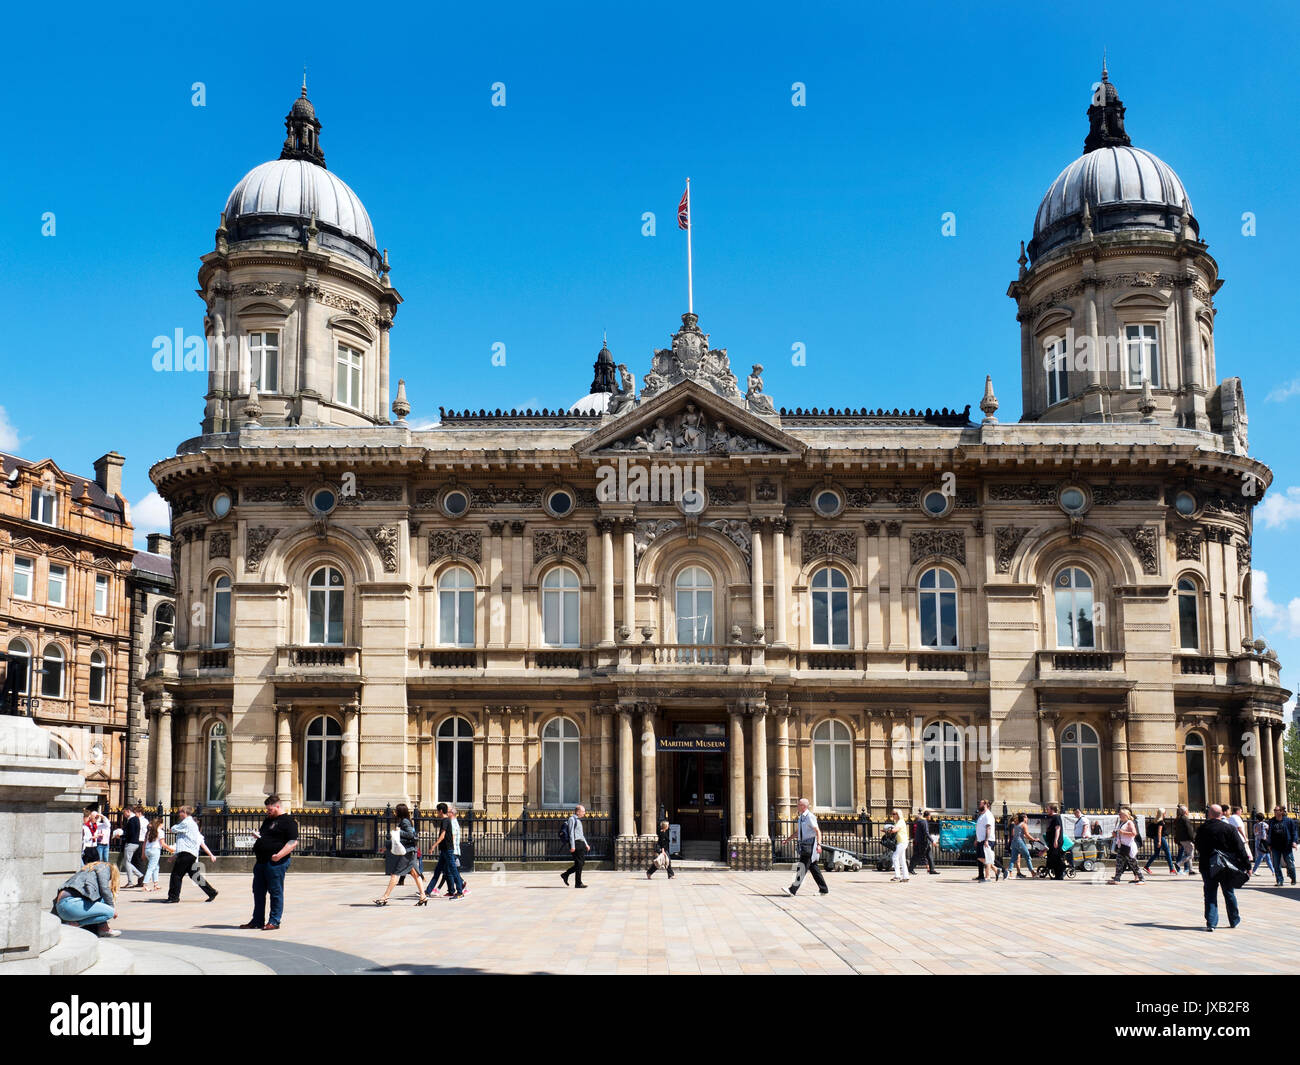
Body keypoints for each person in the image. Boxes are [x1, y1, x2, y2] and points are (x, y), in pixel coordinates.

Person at [241, 794, 299, 929]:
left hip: (276, 863)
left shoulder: (289, 821)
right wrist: (257, 837)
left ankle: (274, 921)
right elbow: (265, 836)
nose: (268, 812)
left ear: (277, 806)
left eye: (270, 809)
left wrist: (279, 855)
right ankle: (257, 921)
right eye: (267, 810)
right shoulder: (268, 820)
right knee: (258, 891)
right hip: (261, 861)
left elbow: (292, 842)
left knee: (275, 892)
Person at [1195, 804, 1251, 931]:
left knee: (1210, 893)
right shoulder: (1229, 829)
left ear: (1209, 814)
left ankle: (1211, 922)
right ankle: (1234, 920)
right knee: (1229, 892)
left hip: (1207, 865)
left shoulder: (1202, 829)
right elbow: (1240, 848)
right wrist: (1247, 865)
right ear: (1221, 814)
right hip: (1226, 866)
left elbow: (1198, 845)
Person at [164, 805, 218, 903]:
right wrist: (175, 855)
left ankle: (173, 897)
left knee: (176, 875)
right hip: (190, 853)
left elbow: (172, 829)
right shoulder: (191, 823)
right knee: (195, 876)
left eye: (180, 812)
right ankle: (211, 892)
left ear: (184, 813)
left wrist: (174, 827)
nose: (178, 814)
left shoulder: (186, 823)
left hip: (186, 853)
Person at [374, 803, 426, 906]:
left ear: (400, 812)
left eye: (396, 810)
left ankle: (385, 897)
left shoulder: (405, 822)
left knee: (395, 873)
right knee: (415, 874)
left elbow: (410, 834)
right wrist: (387, 847)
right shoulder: (404, 821)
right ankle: (423, 896)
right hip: (410, 851)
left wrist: (399, 832)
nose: (394, 812)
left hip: (408, 852)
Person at [53, 861, 121, 938]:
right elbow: (104, 888)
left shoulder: (88, 870)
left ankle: (103, 928)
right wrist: (112, 908)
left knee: (101, 899)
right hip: (70, 905)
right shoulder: (105, 867)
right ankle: (75, 924)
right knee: (110, 912)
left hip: (64, 907)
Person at [783, 797, 828, 896]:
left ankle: (792, 890)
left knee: (802, 867)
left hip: (810, 845)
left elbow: (818, 831)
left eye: (799, 805)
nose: (797, 806)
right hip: (804, 845)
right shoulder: (801, 817)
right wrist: (787, 840)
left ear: (803, 806)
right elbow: (798, 833)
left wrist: (819, 845)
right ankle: (823, 889)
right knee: (814, 868)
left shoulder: (809, 817)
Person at [1108, 808, 1145, 883]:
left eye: (1120, 814)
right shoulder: (1122, 823)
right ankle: (1117, 879)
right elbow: (1120, 835)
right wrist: (1115, 835)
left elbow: (1134, 833)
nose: (1119, 815)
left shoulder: (1129, 822)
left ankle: (1142, 878)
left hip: (1128, 847)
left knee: (1133, 863)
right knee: (1119, 862)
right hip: (1122, 846)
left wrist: (1123, 833)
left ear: (1125, 815)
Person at [1267, 805, 1299, 887]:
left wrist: (1294, 842)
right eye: (1274, 810)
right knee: (1276, 865)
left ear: (1281, 811)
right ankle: (1279, 880)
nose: (1275, 812)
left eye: (1277, 810)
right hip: (1275, 846)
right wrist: (1269, 844)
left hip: (1286, 846)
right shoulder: (1271, 821)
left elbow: (1294, 832)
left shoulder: (1289, 821)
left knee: (1290, 863)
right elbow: (1269, 833)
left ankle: (1293, 878)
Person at [442, 804, 468, 900]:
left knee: (451, 871)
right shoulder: (453, 822)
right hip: (453, 850)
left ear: (451, 813)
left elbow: (451, 838)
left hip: (451, 850)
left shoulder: (452, 823)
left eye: (447, 811)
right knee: (449, 871)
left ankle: (459, 889)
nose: (446, 813)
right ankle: (453, 890)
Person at [560, 804, 589, 889]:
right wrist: (572, 846)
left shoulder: (578, 820)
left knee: (581, 863)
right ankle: (578, 883)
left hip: (581, 843)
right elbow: (571, 833)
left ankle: (566, 874)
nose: (584, 813)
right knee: (579, 863)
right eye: (583, 811)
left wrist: (586, 844)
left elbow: (581, 834)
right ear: (578, 811)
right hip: (576, 843)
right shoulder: (572, 819)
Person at [118, 804, 145, 887]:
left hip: (131, 843)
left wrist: (121, 836)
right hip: (135, 843)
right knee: (127, 862)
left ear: (128, 811)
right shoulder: (136, 819)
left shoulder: (132, 820)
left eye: (124, 813)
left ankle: (136, 877)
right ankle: (133, 879)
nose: (124, 815)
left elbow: (131, 833)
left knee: (127, 862)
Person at [1144, 808, 1175, 875]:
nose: (1165, 814)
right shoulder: (1160, 822)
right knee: (1167, 852)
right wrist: (1160, 841)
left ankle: (1146, 866)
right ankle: (1171, 869)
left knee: (1156, 853)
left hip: (1156, 838)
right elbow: (1159, 832)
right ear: (1163, 813)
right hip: (1161, 838)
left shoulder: (1155, 821)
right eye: (1165, 813)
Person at [1005, 812, 1036, 878]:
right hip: (1020, 842)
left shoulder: (1017, 824)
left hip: (1014, 842)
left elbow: (1015, 834)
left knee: (1013, 858)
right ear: (1024, 818)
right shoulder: (1024, 825)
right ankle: (1032, 872)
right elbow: (1027, 835)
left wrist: (1022, 835)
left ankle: (1009, 872)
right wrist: (1034, 839)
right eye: (1026, 817)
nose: (1027, 818)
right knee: (1027, 856)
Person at [908, 809, 938, 875]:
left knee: (929, 855)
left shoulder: (920, 821)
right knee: (918, 855)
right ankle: (910, 868)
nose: (930, 817)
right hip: (923, 842)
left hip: (921, 841)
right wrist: (932, 841)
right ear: (927, 816)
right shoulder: (924, 822)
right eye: (930, 816)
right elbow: (926, 833)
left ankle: (932, 869)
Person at [973, 799, 996, 882]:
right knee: (980, 858)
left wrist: (986, 840)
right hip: (980, 840)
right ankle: (996, 870)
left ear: (986, 805)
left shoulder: (988, 815)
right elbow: (979, 829)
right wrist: (976, 839)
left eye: (981, 804)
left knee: (986, 858)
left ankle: (988, 877)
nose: (979, 805)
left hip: (987, 840)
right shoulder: (982, 815)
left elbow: (988, 827)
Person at [1043, 803, 1066, 880]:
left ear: (1052, 810)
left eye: (1048, 809)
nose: (1047, 810)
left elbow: (1057, 829)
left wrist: (1056, 840)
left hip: (1055, 841)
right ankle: (1057, 875)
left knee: (1056, 858)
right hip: (1051, 841)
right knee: (1053, 858)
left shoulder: (1056, 817)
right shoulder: (1052, 817)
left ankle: (1059, 875)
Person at [141, 817, 164, 892]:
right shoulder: (160, 831)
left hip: (148, 850)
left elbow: (144, 843)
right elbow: (162, 843)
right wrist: (171, 849)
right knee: (151, 868)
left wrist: (143, 853)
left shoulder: (149, 831)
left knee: (156, 867)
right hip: (155, 850)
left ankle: (156, 884)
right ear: (160, 824)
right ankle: (145, 884)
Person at [888, 808, 910, 882]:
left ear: (898, 815)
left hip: (902, 842)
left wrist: (889, 830)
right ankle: (905, 876)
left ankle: (897, 875)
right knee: (902, 860)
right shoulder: (897, 822)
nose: (893, 815)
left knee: (895, 857)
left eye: (894, 814)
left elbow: (895, 830)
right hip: (901, 842)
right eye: (892, 814)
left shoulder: (900, 821)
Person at [1173, 804, 1195, 874]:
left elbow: (1176, 831)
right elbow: (1190, 830)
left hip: (1181, 840)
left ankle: (1191, 870)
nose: (1188, 812)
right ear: (1185, 811)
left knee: (1188, 853)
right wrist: (1193, 839)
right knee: (1191, 855)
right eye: (1187, 810)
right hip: (1187, 839)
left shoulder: (1178, 819)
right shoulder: (1186, 819)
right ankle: (1178, 864)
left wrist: (1177, 841)